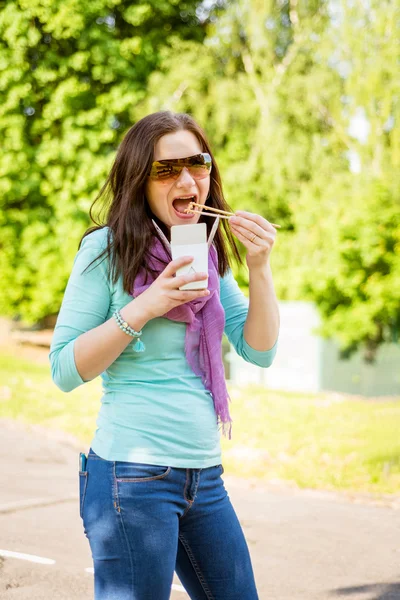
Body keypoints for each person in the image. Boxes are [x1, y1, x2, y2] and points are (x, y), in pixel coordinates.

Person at [49, 110, 279, 600]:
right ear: (139, 180)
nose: (186, 179)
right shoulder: (104, 251)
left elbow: (258, 351)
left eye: (198, 164)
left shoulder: (208, 253)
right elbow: (65, 369)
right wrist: (147, 305)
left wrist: (259, 268)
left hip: (205, 476)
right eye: (166, 169)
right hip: (131, 480)